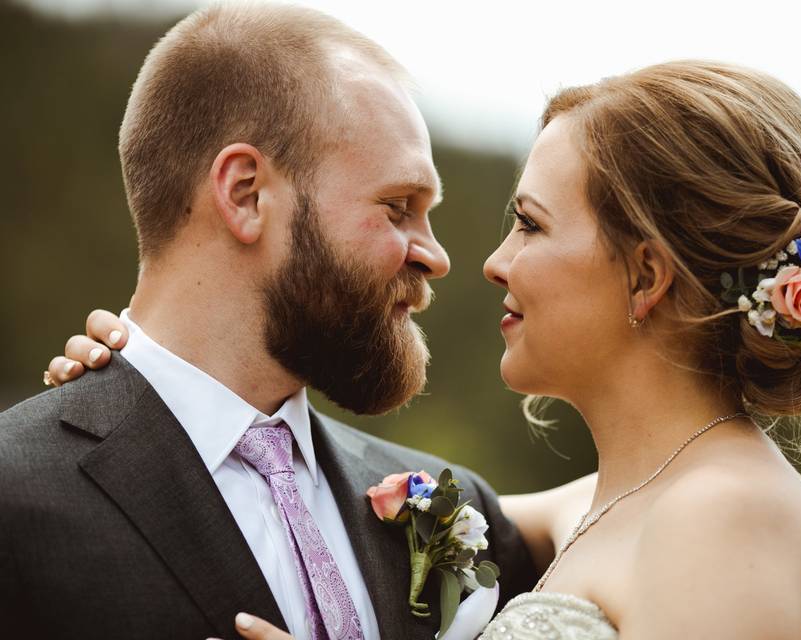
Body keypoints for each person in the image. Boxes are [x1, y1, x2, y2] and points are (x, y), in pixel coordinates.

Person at [48, 59, 801, 639]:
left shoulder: (722, 515)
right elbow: (359, 496)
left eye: (529, 225)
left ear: (645, 274)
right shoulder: (616, 502)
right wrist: (149, 395)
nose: (491, 263)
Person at [0, 4, 538, 640]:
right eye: (397, 208)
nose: (437, 256)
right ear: (246, 193)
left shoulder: (453, 512)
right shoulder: (15, 494)